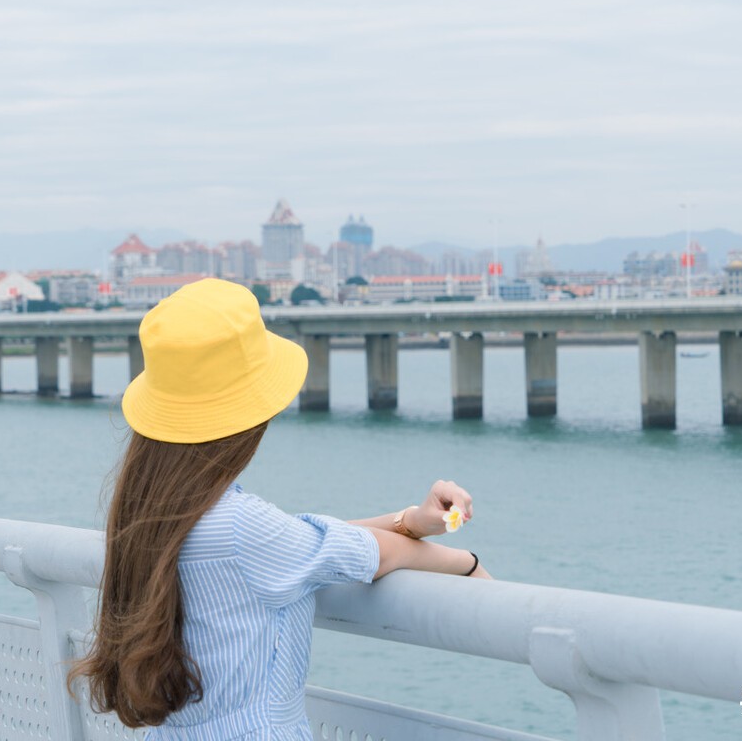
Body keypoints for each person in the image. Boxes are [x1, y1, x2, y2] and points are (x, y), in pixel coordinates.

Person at [68, 278, 490, 740]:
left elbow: (299, 541)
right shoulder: (241, 528)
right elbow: (369, 554)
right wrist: (467, 566)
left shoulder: (151, 517)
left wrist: (409, 521)